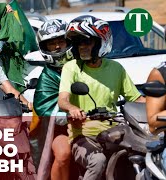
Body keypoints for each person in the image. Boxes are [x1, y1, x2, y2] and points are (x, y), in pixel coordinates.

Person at [57, 15, 145, 180]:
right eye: (78, 43)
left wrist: (158, 106)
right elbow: (62, 99)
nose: (82, 47)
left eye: (87, 42)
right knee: (98, 160)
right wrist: (73, 108)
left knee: (146, 151)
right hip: (83, 135)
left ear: (101, 42)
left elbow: (136, 99)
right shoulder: (71, 68)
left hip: (116, 130)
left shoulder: (116, 68)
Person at [29, 19, 73, 180]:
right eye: (51, 44)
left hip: (93, 121)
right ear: (44, 47)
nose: (57, 47)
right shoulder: (48, 75)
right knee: (63, 154)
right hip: (59, 128)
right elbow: (43, 107)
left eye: (61, 41)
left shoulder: (84, 65)